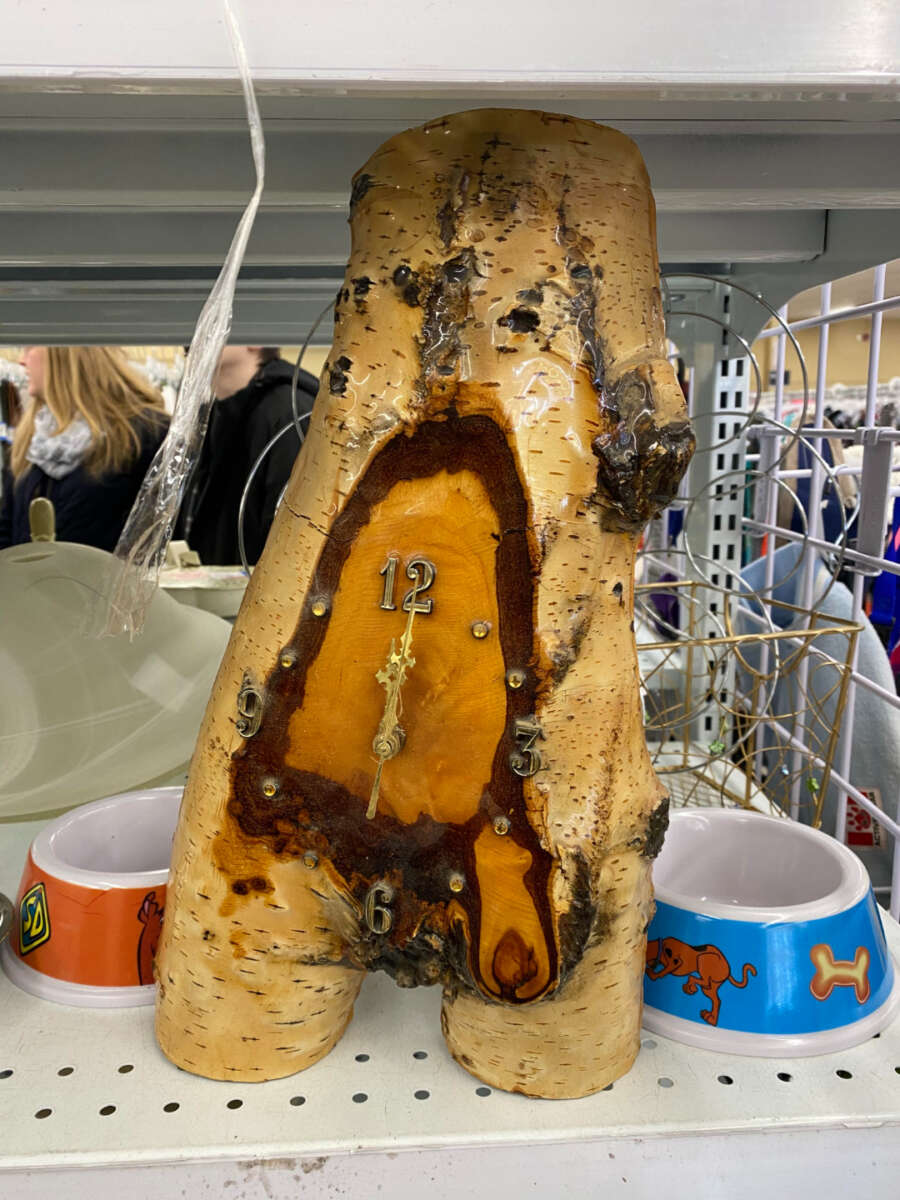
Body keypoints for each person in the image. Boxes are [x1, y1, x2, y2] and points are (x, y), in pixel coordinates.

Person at [0, 346, 168, 552]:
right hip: (28, 583)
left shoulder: (143, 433)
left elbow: (160, 538)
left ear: (65, 351)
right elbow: (6, 532)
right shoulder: (29, 439)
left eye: (30, 347)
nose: (21, 360)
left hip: (106, 583)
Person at [177, 346, 318, 566]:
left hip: (255, 594)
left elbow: (292, 537)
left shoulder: (289, 412)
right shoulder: (213, 411)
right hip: (215, 594)